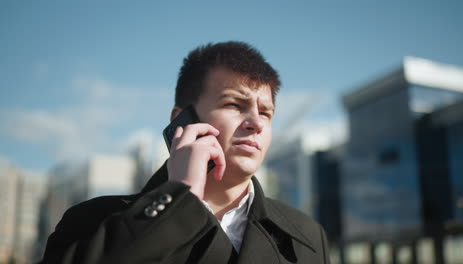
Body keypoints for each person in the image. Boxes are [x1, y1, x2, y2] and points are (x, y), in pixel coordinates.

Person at [40, 41, 330, 264]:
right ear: (182, 121)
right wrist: (181, 196)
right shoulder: (93, 221)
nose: (255, 123)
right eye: (234, 105)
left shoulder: (306, 236)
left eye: (266, 112)